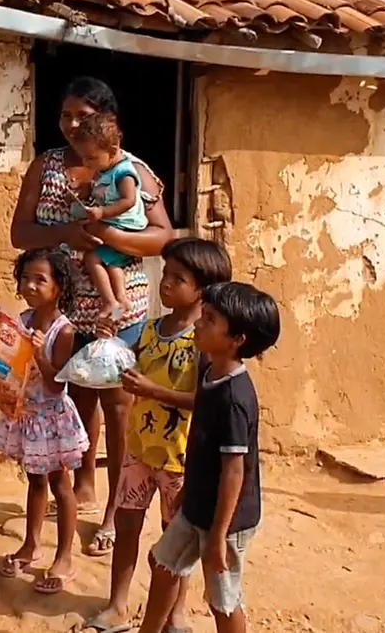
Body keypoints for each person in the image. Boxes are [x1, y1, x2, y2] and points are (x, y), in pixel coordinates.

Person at [10, 76, 173, 557]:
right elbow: (21, 232)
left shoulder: (132, 170)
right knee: (73, 400)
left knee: (118, 406)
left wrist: (110, 240)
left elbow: (163, 236)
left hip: (117, 307)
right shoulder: (48, 166)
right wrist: (68, 231)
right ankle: (82, 489)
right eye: (65, 116)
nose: (71, 124)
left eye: (82, 116)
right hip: (62, 309)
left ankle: (112, 514)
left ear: (108, 123)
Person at [84, 238, 232, 633]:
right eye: (165, 274)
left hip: (181, 459)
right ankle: (118, 605)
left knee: (177, 541)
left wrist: (153, 391)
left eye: (178, 278)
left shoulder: (204, 344)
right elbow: (123, 363)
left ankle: (174, 613)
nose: (165, 283)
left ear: (201, 290)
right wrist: (108, 339)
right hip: (140, 451)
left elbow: (206, 400)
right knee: (127, 524)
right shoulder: (150, 329)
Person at [136, 282, 280, 633]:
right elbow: (200, 442)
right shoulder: (209, 373)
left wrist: (217, 537)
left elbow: (234, 473)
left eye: (211, 319)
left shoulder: (234, 399)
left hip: (227, 521)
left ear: (237, 339)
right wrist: (187, 493)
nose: (199, 322)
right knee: (163, 562)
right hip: (199, 506)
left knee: (223, 599)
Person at [0, 247, 91, 595]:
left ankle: (64, 557)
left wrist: (37, 352)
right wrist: (1, 331)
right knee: (35, 482)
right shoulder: (24, 319)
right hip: (29, 416)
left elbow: (57, 383)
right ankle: (30, 546)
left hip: (52, 419)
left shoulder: (63, 332)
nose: (30, 286)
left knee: (61, 487)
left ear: (59, 287)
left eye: (40, 279)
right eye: (25, 278)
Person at [72, 111, 147, 322]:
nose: (87, 163)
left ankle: (110, 302)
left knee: (93, 258)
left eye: (91, 158)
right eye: (84, 158)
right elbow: (100, 191)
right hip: (113, 225)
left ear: (112, 151)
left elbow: (129, 200)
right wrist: (84, 190)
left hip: (125, 227)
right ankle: (121, 300)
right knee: (112, 263)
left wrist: (102, 213)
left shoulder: (124, 172)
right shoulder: (104, 169)